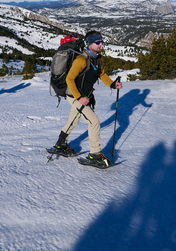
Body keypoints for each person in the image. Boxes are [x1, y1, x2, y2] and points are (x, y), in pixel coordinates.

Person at [52, 31, 123, 167]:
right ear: (90, 44)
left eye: (101, 42)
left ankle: (60, 144)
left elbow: (102, 74)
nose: (100, 44)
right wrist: (79, 98)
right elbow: (69, 79)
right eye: (97, 42)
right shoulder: (81, 60)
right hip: (74, 96)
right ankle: (95, 154)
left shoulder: (97, 59)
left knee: (73, 120)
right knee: (94, 121)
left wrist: (113, 84)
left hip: (84, 96)